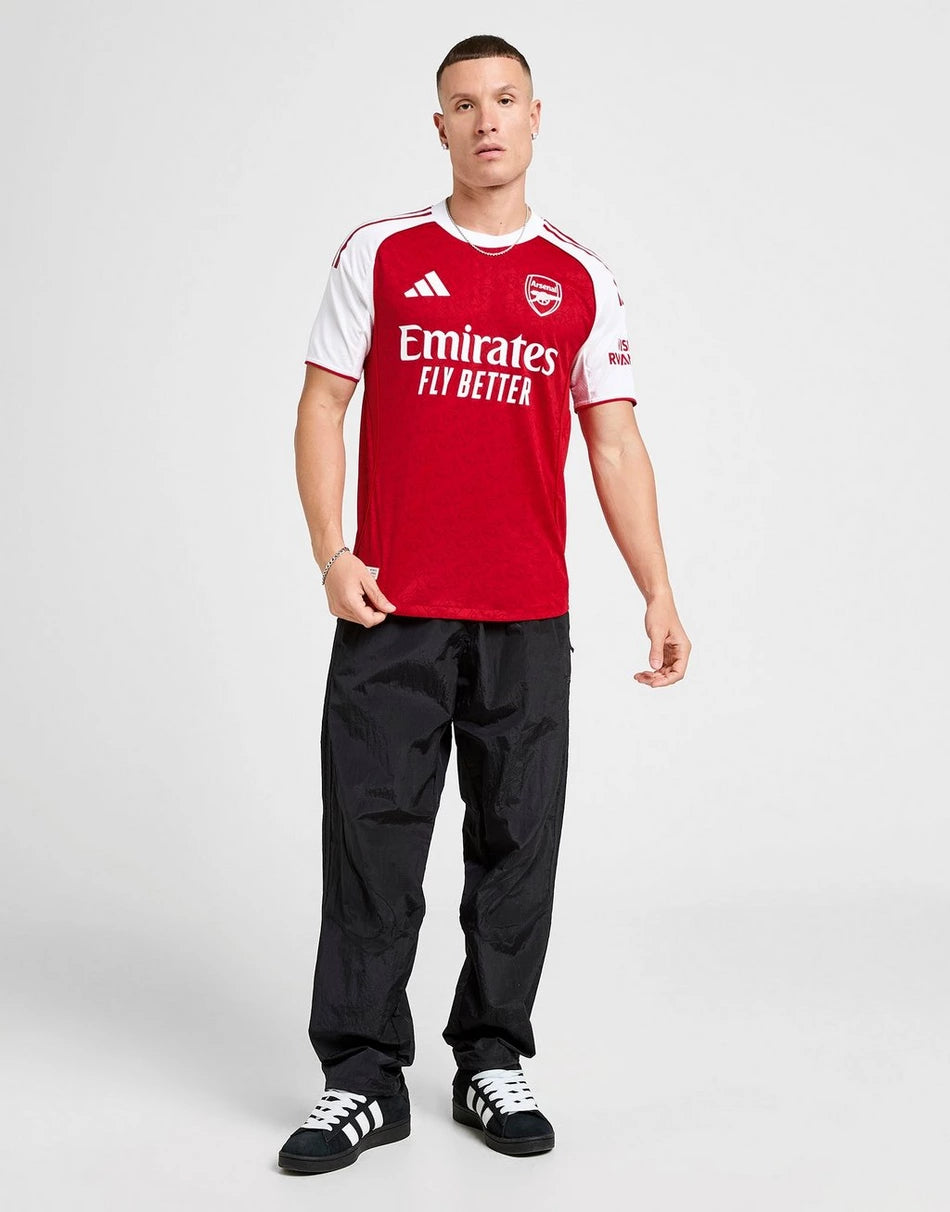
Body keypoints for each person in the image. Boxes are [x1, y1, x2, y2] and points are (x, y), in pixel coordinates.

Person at [278, 33, 691, 1175]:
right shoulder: (382, 252)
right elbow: (321, 407)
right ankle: (362, 1078)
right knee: (371, 844)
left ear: (535, 115)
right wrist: (330, 553)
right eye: (463, 104)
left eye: (505, 99)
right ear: (440, 127)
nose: (487, 120)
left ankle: (490, 1055)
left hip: (525, 618)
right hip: (392, 610)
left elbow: (614, 441)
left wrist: (657, 588)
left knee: (517, 846)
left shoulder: (579, 276)